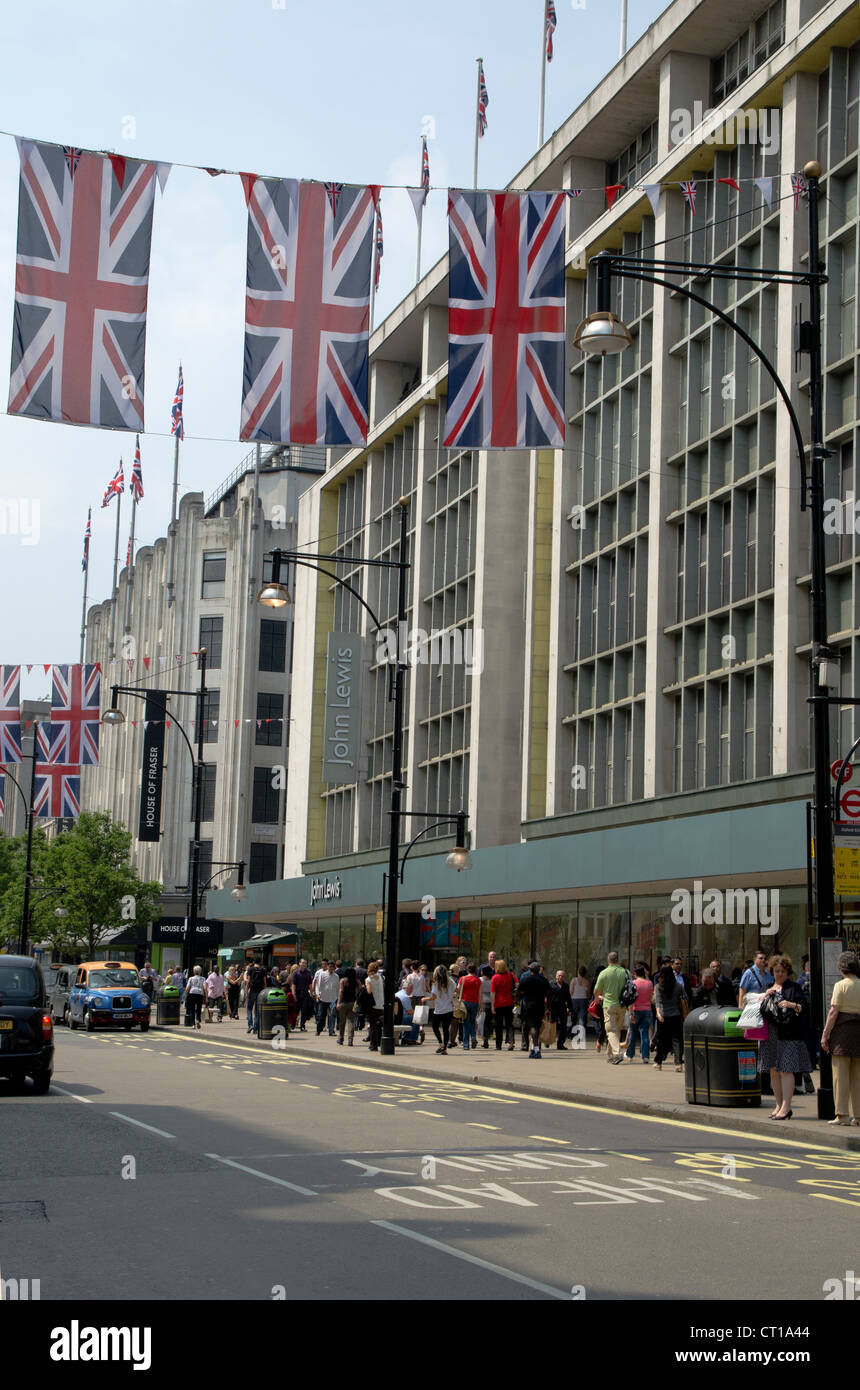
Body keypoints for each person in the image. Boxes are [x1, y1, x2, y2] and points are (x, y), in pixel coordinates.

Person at [758, 954, 810, 1120]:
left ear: (788, 972)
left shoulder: (794, 988)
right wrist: (764, 995)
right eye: (776, 971)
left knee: (786, 1070)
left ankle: (787, 1107)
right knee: (773, 1070)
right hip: (770, 1034)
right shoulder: (768, 987)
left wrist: (791, 1004)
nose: (779, 974)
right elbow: (756, 1005)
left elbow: (805, 1008)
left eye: (782, 971)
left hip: (788, 1034)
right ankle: (778, 1105)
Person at [820, 951, 860, 1125]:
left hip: (842, 1033)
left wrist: (825, 1034)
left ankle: (842, 1114)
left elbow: (833, 1011)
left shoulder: (840, 985)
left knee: (840, 1075)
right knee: (858, 1076)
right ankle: (858, 1116)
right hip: (858, 1032)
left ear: (841, 968)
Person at [593, 951, 629, 1064]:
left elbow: (596, 990)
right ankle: (610, 1055)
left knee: (610, 1030)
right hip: (622, 1005)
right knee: (616, 1030)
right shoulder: (626, 972)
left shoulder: (604, 973)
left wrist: (597, 997)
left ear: (608, 960)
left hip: (609, 1004)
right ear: (617, 960)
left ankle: (617, 1053)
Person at [517, 961, 552, 1059]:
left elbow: (518, 992)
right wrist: (548, 1007)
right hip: (540, 1005)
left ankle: (536, 1049)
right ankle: (533, 1048)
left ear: (530, 969)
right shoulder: (543, 980)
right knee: (537, 1026)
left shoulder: (526, 979)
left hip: (529, 1006)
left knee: (532, 1027)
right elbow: (549, 994)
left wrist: (518, 1001)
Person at [653, 964, 684, 1071]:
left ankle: (659, 1063)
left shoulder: (658, 987)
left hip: (663, 1016)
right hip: (676, 1016)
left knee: (661, 1040)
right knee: (677, 1040)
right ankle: (678, 1063)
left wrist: (658, 1014)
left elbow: (657, 1002)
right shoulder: (679, 986)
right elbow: (685, 998)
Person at [625, 965, 654, 1063]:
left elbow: (630, 1000)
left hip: (635, 1010)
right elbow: (651, 998)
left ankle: (630, 1055)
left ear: (635, 974)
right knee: (644, 1033)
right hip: (647, 1010)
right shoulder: (650, 983)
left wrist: (630, 1013)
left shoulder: (633, 983)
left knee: (633, 1033)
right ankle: (645, 1056)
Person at [426, 964, 456, 1054]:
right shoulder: (451, 982)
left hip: (438, 1010)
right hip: (449, 1009)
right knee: (446, 1029)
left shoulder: (436, 983)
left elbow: (434, 997)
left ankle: (440, 1043)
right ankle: (445, 1049)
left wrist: (425, 998)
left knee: (435, 1027)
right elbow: (457, 990)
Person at [455, 962, 482, 1050]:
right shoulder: (478, 980)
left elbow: (458, 990)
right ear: (476, 971)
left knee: (465, 1023)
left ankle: (466, 1045)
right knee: (472, 1021)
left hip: (464, 1002)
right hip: (474, 1002)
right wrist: (481, 1005)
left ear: (467, 970)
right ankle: (473, 1036)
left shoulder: (462, 979)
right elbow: (480, 994)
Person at [491, 959, 516, 1050]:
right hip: (509, 1002)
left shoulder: (495, 977)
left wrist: (492, 1006)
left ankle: (498, 1045)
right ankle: (511, 1041)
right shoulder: (510, 976)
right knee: (509, 1024)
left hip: (498, 1003)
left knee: (499, 1025)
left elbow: (493, 993)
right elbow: (517, 984)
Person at [313, 960, 340, 1036]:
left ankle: (331, 1031)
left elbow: (338, 987)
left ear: (334, 968)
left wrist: (338, 998)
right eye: (330, 967)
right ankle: (318, 1030)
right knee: (321, 1015)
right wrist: (318, 994)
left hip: (333, 999)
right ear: (327, 967)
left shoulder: (336, 976)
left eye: (332, 967)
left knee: (332, 1015)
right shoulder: (322, 974)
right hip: (323, 998)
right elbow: (318, 985)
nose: (331, 968)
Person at [365, 960, 385, 1051]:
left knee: (373, 1025)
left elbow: (369, 991)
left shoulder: (368, 979)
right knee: (378, 1025)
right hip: (381, 1004)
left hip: (372, 1005)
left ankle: (373, 1045)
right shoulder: (380, 978)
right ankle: (379, 1042)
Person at [336, 967, 359, 1046]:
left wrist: (338, 1003)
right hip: (353, 1003)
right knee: (351, 1021)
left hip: (344, 1002)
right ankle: (350, 1040)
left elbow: (341, 991)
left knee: (342, 1022)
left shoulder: (343, 981)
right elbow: (359, 990)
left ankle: (341, 1039)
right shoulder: (356, 981)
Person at [549, 970, 572, 1050]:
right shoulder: (551, 984)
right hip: (553, 1008)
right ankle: (548, 1040)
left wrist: (570, 1009)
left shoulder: (566, 986)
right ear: (556, 976)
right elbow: (547, 997)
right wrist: (547, 1008)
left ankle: (560, 1044)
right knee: (552, 1025)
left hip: (562, 1008)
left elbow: (568, 998)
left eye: (562, 976)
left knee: (563, 1026)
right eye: (559, 975)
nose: (560, 977)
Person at [244, 957, 268, 1034]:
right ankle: (255, 1028)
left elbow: (248, 981)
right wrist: (264, 991)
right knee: (257, 1011)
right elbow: (265, 982)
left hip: (252, 991)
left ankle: (250, 1024)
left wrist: (247, 991)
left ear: (254, 962)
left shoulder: (250, 969)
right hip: (260, 992)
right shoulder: (263, 969)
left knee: (249, 1008)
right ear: (260, 962)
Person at [184, 965, 207, 1030]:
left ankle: (193, 1024)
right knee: (199, 1008)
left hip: (192, 993)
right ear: (200, 971)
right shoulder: (203, 978)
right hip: (200, 994)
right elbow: (205, 988)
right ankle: (198, 1019)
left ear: (194, 971)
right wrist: (206, 997)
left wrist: (186, 995)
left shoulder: (191, 978)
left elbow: (187, 988)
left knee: (192, 1009)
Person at [571, 967, 590, 1036]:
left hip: (574, 1000)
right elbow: (588, 993)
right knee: (582, 1018)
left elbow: (571, 991)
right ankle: (581, 1034)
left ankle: (571, 1033)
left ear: (578, 972)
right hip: (583, 1000)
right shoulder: (586, 981)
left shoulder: (574, 980)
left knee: (574, 1017)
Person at [478, 965, 493, 1047]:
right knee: (488, 1022)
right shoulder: (491, 981)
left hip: (482, 1002)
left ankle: (484, 1039)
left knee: (481, 1022)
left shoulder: (480, 980)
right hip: (490, 1002)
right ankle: (486, 1038)